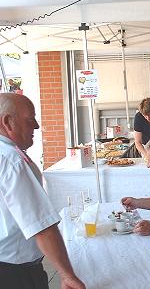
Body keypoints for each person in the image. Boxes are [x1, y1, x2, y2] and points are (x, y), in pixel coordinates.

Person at [0, 93, 85, 289]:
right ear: (8, 122)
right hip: (14, 272)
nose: (37, 126)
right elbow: (42, 226)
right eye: (30, 120)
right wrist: (67, 275)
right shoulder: (13, 161)